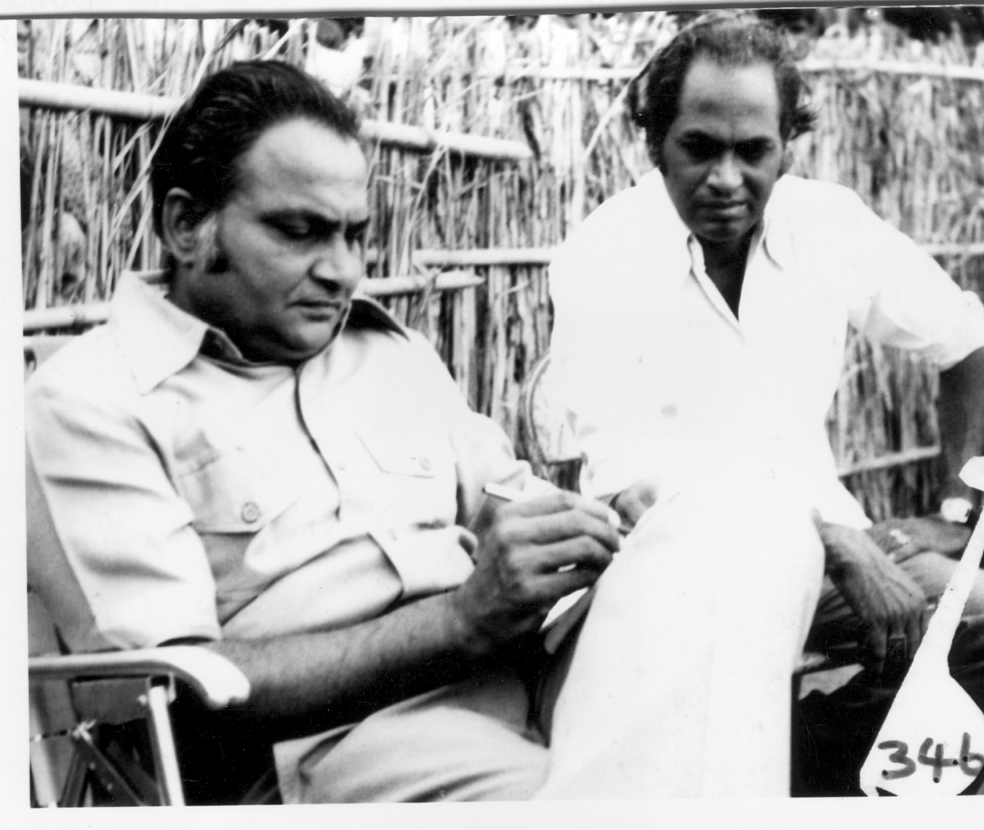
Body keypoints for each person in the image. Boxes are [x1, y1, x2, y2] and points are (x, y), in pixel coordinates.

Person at [26, 59, 823, 802]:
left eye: (355, 234)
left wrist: (606, 523)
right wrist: (464, 619)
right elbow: (178, 693)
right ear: (186, 225)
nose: (343, 270)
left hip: (529, 671)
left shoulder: (388, 353)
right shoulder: (93, 400)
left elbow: (510, 508)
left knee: (745, 519)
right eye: (300, 231)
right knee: (669, 780)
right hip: (349, 739)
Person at [546, 12, 984, 795]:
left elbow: (972, 344)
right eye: (699, 148)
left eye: (752, 150)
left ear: (787, 144)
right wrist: (835, 540)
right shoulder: (604, 256)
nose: (726, 178)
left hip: (834, 556)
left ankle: (817, 778)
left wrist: (955, 511)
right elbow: (650, 488)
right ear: (654, 142)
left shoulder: (826, 224)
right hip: (671, 572)